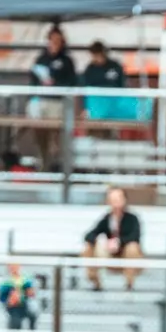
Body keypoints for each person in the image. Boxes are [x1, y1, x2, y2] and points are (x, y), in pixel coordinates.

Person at [27, 25, 77, 171]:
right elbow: (33, 81)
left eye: (58, 41)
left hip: (58, 102)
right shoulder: (41, 59)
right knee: (40, 133)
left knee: (58, 136)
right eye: (52, 40)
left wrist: (56, 84)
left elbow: (72, 82)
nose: (55, 44)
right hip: (41, 101)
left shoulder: (67, 61)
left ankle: (59, 166)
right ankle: (43, 163)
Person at [81, 187, 142, 291]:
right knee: (88, 247)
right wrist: (102, 242)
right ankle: (95, 282)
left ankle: (129, 283)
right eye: (112, 200)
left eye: (118, 199)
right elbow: (90, 234)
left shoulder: (132, 218)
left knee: (133, 247)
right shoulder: (107, 218)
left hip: (126, 254)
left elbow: (135, 236)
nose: (115, 203)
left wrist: (118, 242)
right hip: (109, 254)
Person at [0, 265, 38, 330]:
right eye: (12, 267)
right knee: (16, 321)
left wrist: (27, 294)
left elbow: (31, 294)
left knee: (33, 316)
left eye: (15, 267)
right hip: (13, 307)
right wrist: (9, 300)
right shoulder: (6, 282)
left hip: (24, 305)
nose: (14, 269)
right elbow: (1, 297)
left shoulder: (25, 280)